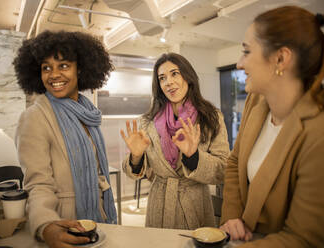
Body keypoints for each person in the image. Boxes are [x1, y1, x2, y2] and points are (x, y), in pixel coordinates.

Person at [220, 6, 324, 248]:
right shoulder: (255, 102)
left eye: (246, 51)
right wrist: (232, 216)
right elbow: (234, 163)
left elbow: (301, 238)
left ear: (281, 58)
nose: (240, 63)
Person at [13, 30, 117, 248]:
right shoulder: (35, 117)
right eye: (46, 68)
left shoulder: (87, 113)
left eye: (63, 65)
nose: (54, 75)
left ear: (79, 68)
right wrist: (46, 225)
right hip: (64, 223)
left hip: (96, 221)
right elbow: (38, 184)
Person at [120, 53, 230, 229]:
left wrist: (193, 157)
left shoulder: (211, 117)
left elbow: (223, 169)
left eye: (174, 74)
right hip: (159, 206)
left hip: (195, 205)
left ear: (188, 76)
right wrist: (136, 157)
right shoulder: (148, 121)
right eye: (162, 78)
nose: (168, 82)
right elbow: (140, 171)